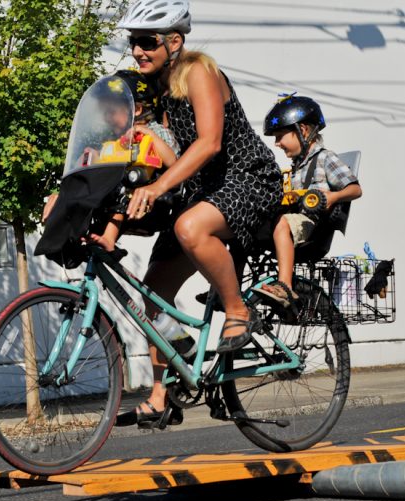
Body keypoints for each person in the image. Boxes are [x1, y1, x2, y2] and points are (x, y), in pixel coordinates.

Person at [114, 0, 284, 429]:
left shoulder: (200, 72)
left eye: (146, 41)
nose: (137, 50)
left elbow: (208, 144)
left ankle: (238, 311)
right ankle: (162, 394)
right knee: (150, 298)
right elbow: (177, 159)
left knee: (190, 226)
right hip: (206, 191)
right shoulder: (163, 89)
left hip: (249, 179)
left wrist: (158, 187)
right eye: (133, 42)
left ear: (174, 41)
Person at [253, 94, 363, 306]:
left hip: (313, 228)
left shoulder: (324, 158)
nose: (277, 144)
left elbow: (355, 189)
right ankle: (227, 289)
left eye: (279, 136)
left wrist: (334, 196)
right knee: (244, 224)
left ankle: (284, 286)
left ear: (302, 131)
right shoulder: (296, 166)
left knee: (281, 223)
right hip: (293, 224)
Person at [84, 69, 180, 252]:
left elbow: (174, 163)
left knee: (122, 185)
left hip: (153, 201)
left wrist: (149, 135)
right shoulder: (112, 138)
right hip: (120, 199)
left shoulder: (156, 131)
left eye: (112, 111)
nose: (107, 117)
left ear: (136, 109)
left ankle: (109, 238)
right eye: (104, 112)